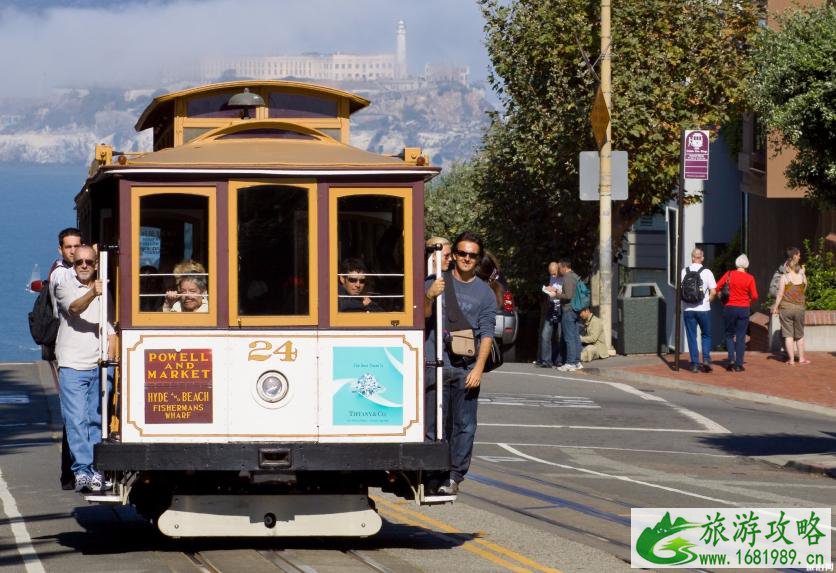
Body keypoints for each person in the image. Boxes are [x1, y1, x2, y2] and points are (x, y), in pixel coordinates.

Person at [424, 231, 496, 495]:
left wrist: (478, 368)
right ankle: (433, 473)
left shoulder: (486, 294)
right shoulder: (435, 281)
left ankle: (454, 476)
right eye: (462, 253)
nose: (466, 258)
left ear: (478, 259)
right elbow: (421, 315)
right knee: (434, 424)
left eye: (472, 255)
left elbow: (487, 333)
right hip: (434, 364)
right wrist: (430, 295)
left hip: (465, 368)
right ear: (453, 255)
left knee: (464, 424)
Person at [54, 245, 117, 493]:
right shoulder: (65, 285)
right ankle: (82, 470)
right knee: (76, 419)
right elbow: (74, 308)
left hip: (99, 365)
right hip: (72, 364)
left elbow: (111, 329)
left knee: (96, 420)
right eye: (78, 262)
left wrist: (111, 364)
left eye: (88, 262)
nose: (83, 266)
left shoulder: (105, 291)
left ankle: (95, 471)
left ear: (95, 265)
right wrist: (94, 292)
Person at [48, 228, 83, 490]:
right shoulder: (61, 275)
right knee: (73, 416)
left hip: (83, 349)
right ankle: (69, 472)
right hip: (70, 349)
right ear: (61, 249)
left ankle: (71, 471)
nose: (74, 251)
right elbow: (71, 306)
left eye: (77, 246)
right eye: (69, 247)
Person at [716, 254, 759, 372]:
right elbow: (755, 296)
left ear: (736, 263)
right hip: (743, 309)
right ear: (746, 265)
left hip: (729, 307)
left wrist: (721, 296)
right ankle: (739, 364)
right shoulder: (750, 278)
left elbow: (717, 286)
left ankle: (730, 359)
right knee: (741, 336)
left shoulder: (729, 274)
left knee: (729, 334)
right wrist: (748, 301)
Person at [681, 248, 717, 373]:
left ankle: (695, 364)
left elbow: (680, 290)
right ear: (702, 258)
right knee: (706, 335)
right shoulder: (707, 272)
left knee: (691, 336)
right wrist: (708, 301)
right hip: (703, 309)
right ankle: (706, 360)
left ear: (692, 257)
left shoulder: (684, 272)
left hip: (688, 309)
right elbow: (713, 292)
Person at [771, 253, 809, 365]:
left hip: (786, 308)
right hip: (799, 308)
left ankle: (791, 360)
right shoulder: (802, 276)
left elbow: (780, 294)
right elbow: (804, 289)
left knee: (788, 335)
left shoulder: (784, 277)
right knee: (800, 335)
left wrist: (775, 306)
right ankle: (801, 358)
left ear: (788, 266)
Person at [535, 262, 563, 368]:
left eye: (554, 273)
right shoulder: (552, 277)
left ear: (559, 270)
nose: (553, 275)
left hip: (560, 308)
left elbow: (566, 293)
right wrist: (547, 290)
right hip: (551, 307)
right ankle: (546, 360)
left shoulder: (564, 278)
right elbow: (552, 290)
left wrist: (555, 290)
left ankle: (559, 359)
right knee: (545, 334)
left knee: (559, 336)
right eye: (551, 273)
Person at [556, 259, 582, 371]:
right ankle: (576, 361)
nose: (558, 270)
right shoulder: (575, 276)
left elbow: (568, 295)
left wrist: (557, 294)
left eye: (559, 268)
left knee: (569, 337)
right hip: (576, 309)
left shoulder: (568, 278)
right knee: (575, 336)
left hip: (568, 310)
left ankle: (570, 362)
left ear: (564, 267)